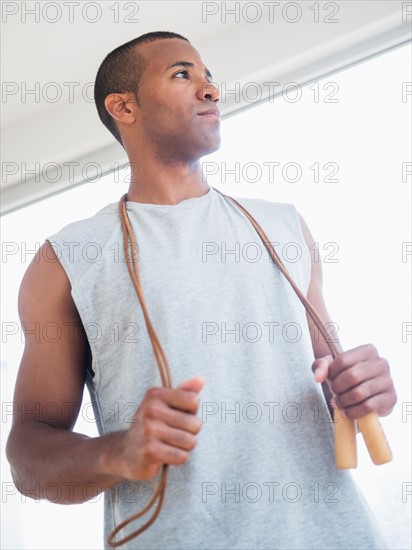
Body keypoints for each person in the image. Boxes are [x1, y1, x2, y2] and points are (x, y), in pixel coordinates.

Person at [6, 31, 397, 549]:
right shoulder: (68, 258)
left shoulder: (283, 227)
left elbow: (333, 393)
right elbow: (29, 458)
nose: (210, 89)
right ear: (123, 106)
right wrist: (120, 452)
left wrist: (362, 391)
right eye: (183, 74)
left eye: (210, 77)